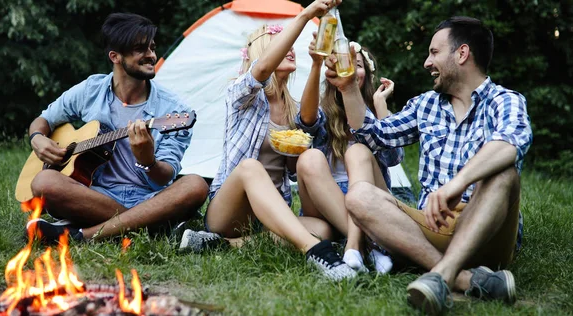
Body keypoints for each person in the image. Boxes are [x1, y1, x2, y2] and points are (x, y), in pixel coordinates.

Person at [325, 16, 532, 314]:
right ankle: (461, 278)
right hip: (431, 226)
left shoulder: (504, 101)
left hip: (489, 229)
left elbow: (511, 143)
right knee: (358, 196)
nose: (426, 62)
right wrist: (347, 89)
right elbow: (374, 136)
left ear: (462, 54)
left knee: (504, 172)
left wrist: (457, 184)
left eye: (434, 53)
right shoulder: (426, 105)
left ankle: (440, 277)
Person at [178, 0, 357, 281]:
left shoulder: (294, 108)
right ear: (265, 52)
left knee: (322, 221)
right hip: (229, 211)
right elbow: (260, 72)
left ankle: (219, 245)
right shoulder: (241, 96)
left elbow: (308, 130)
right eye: (280, 45)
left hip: (271, 215)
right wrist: (305, 15)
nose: (290, 50)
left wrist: (316, 65)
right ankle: (317, 252)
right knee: (251, 167)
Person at [25, 13, 209, 244]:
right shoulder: (91, 89)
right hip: (96, 194)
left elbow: (165, 177)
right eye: (140, 49)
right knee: (43, 182)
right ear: (115, 56)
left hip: (150, 198)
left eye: (152, 48)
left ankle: (83, 234)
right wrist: (38, 138)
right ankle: (153, 226)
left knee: (195, 185)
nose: (151, 55)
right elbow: (43, 119)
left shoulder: (174, 111)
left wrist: (148, 160)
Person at [295, 36, 402, 274]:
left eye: (358, 65)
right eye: (344, 64)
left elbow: (392, 158)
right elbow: (306, 122)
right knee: (309, 158)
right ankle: (372, 244)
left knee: (359, 150)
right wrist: (316, 64)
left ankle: (353, 246)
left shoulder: (376, 113)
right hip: (325, 199)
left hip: (367, 195)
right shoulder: (324, 111)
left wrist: (380, 103)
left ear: (368, 76)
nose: (350, 70)